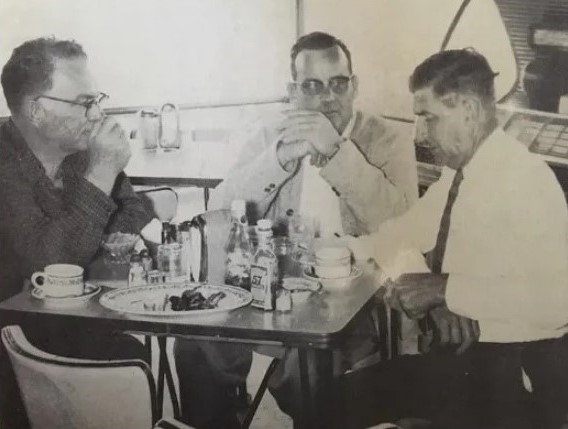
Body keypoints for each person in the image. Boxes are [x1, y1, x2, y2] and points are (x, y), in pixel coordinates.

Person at [192, 31, 418, 424]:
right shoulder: (270, 135)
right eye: (312, 86)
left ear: (354, 86)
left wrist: (334, 152)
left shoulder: (389, 139)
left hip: (356, 296)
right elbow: (222, 208)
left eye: (338, 84)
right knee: (196, 342)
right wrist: (281, 157)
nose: (328, 98)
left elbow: (402, 228)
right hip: (275, 290)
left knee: (306, 368)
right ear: (293, 91)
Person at [343, 48, 568, 429]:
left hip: (518, 374)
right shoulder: (459, 173)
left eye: (429, 118)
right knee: (333, 399)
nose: (420, 134)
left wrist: (446, 290)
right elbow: (393, 238)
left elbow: (558, 300)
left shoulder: (527, 179)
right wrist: (435, 298)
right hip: (466, 358)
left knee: (340, 405)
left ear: (470, 110)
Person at [0, 37, 153, 428]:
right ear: (37, 110)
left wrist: (102, 239)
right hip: (12, 345)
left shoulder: (77, 152)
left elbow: (134, 206)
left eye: (97, 100)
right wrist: (101, 173)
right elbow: (46, 260)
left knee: (129, 355)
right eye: (85, 102)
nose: (98, 114)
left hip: (73, 323)